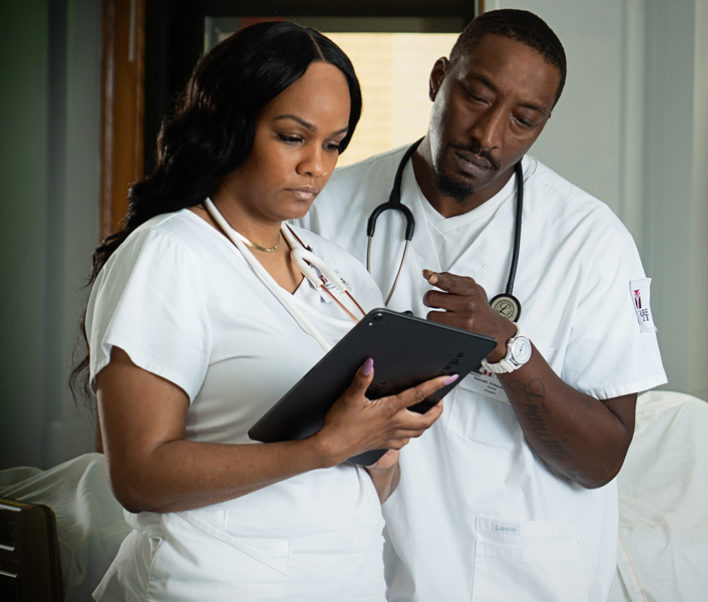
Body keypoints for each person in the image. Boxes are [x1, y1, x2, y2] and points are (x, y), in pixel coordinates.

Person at [298, 9, 667, 601]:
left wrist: (509, 351)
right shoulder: (325, 206)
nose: (489, 135)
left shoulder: (591, 241)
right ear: (439, 79)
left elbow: (602, 458)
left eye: (524, 119)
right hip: (351, 559)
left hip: (515, 575)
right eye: (476, 96)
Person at [78, 22, 449, 601]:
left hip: (344, 582)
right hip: (211, 584)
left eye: (333, 144)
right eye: (292, 136)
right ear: (231, 126)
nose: (316, 167)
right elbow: (138, 476)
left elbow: (366, 486)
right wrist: (319, 448)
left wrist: (385, 436)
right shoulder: (171, 252)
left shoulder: (340, 272)